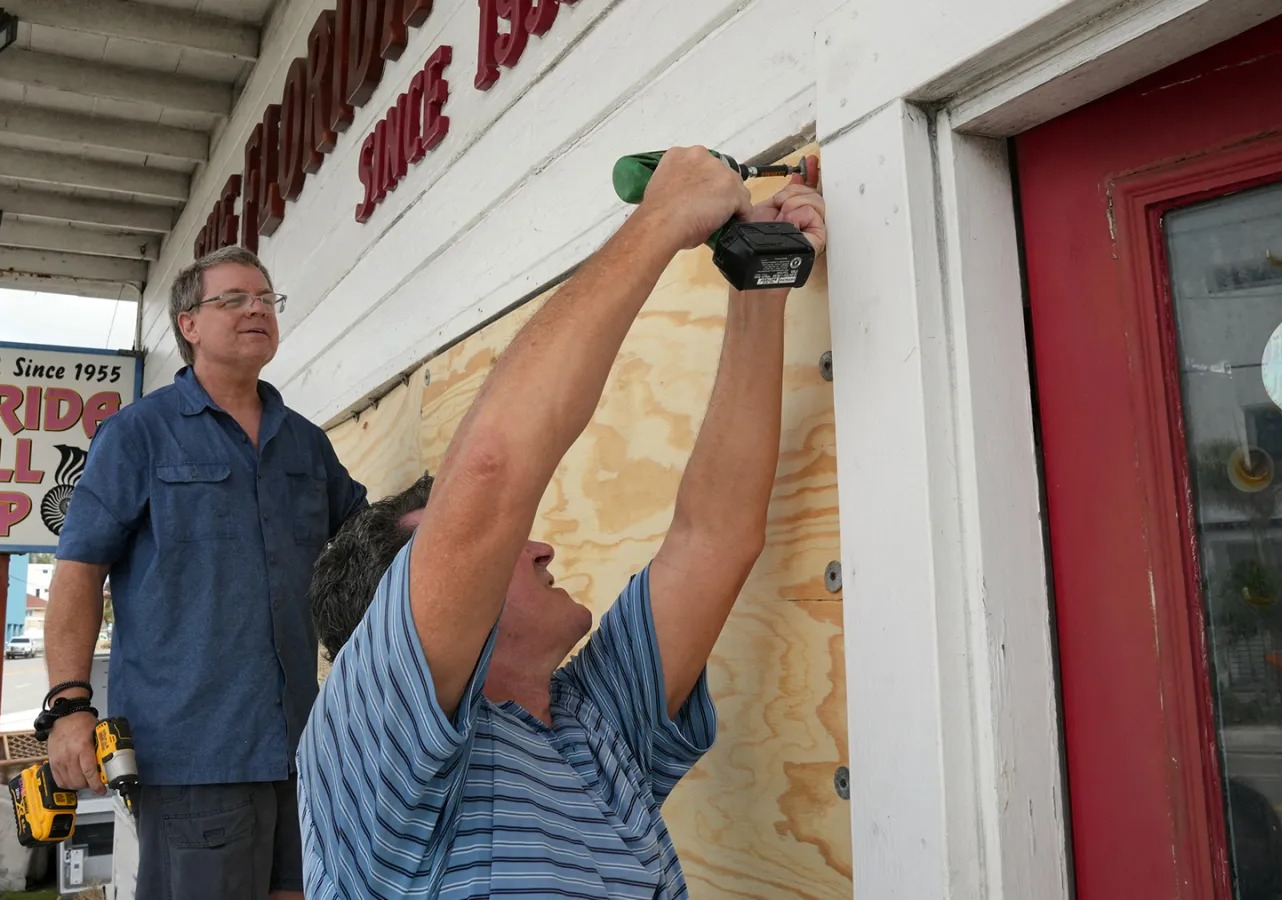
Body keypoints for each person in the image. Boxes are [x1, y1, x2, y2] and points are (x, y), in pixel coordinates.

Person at [297, 147, 827, 897]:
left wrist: (760, 281)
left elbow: (714, 539)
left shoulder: (592, 715)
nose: (539, 544)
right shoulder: (370, 753)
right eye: (503, 548)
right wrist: (664, 216)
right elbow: (489, 473)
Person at [44, 245, 368, 900]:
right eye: (234, 299)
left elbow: (369, 540)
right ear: (189, 324)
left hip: (302, 748)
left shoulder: (305, 444)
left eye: (266, 299)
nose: (257, 309)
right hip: (193, 754)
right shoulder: (137, 435)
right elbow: (79, 571)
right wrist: (70, 706)